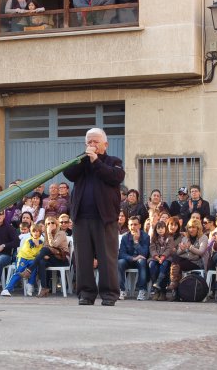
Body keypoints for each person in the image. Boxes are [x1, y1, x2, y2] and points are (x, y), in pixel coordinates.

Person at [64, 127, 125, 306]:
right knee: (82, 258)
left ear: (105, 144)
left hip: (104, 218)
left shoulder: (114, 161)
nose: (92, 145)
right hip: (81, 217)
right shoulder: (81, 161)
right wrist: (85, 160)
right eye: (89, 142)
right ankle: (86, 293)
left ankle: (109, 295)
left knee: (107, 258)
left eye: (95, 142)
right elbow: (68, 174)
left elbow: (115, 177)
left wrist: (96, 161)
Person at [167, 218, 207, 299]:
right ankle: (174, 285)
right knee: (176, 258)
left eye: (193, 227)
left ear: (198, 228)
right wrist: (181, 249)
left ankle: (174, 287)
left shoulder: (203, 237)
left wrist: (189, 247)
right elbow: (178, 252)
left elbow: (201, 252)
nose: (191, 229)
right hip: (185, 260)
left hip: (196, 262)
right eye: (189, 227)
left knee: (177, 264)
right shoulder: (185, 238)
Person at [118, 216, 149, 301]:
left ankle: (142, 290)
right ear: (128, 226)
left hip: (140, 260)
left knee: (142, 261)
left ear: (139, 225)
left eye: (135, 224)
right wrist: (132, 258)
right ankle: (122, 290)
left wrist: (136, 242)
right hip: (129, 260)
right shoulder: (125, 237)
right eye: (131, 225)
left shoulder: (145, 236)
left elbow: (144, 253)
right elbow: (121, 254)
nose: (133, 227)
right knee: (120, 262)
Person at [148, 221, 174, 298]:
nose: (160, 230)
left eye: (162, 228)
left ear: (165, 229)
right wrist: (156, 256)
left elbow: (169, 249)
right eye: (158, 228)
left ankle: (159, 285)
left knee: (165, 265)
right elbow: (152, 249)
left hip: (166, 257)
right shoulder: (153, 238)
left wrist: (163, 257)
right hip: (155, 258)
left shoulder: (169, 238)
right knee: (152, 265)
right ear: (155, 229)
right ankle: (156, 290)